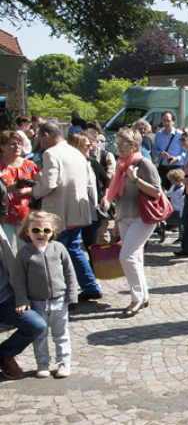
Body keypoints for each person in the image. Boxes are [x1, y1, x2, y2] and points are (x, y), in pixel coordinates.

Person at [32, 123, 102, 303]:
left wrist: (33, 191)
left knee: (57, 255)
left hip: (59, 213)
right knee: (74, 250)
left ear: (46, 135)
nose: (40, 142)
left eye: (40, 138)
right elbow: (88, 181)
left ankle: (64, 294)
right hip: (76, 211)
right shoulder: (76, 152)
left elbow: (49, 184)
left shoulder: (51, 153)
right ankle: (90, 286)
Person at [98, 128, 162, 316]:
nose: (118, 147)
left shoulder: (143, 164)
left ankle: (136, 298)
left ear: (134, 146)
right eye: (117, 143)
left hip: (142, 217)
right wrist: (117, 220)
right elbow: (119, 196)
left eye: (122, 144)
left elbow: (157, 192)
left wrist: (135, 180)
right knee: (135, 258)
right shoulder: (122, 165)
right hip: (124, 217)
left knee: (126, 257)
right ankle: (144, 295)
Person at [12, 211, 77, 378]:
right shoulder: (24, 253)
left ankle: (64, 362)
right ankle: (42, 363)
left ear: (52, 232)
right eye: (36, 230)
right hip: (36, 302)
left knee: (61, 333)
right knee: (40, 335)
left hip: (59, 300)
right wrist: (22, 299)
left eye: (46, 230)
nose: (41, 234)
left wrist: (71, 295)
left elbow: (69, 272)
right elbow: (18, 279)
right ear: (27, 232)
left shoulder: (59, 248)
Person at [0, 186, 48, 381]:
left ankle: (4, 354)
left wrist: (21, 295)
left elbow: (13, 266)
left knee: (36, 325)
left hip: (4, 298)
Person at [0, 130, 40, 248]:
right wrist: (9, 188)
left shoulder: (30, 165)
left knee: (26, 251)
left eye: (19, 143)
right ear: (1, 147)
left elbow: (43, 188)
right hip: (4, 217)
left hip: (26, 216)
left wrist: (27, 191)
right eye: (12, 144)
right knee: (4, 252)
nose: (17, 147)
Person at [151, 111, 183, 190]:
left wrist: (177, 158)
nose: (166, 123)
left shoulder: (180, 134)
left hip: (176, 167)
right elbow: (154, 150)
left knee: (176, 192)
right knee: (164, 191)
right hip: (164, 167)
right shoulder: (159, 134)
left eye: (168, 120)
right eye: (164, 120)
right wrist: (160, 153)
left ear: (173, 121)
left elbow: (185, 152)